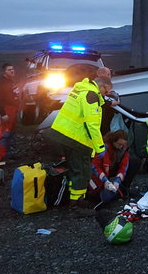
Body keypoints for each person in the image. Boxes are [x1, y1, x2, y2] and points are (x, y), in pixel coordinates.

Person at [42, 76, 111, 206]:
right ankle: (76, 203)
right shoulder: (91, 96)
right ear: (102, 87)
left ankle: (76, 199)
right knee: (82, 171)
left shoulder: (80, 89)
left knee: (75, 169)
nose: (105, 94)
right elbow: (92, 125)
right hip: (76, 139)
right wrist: (100, 147)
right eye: (106, 91)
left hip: (64, 134)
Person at [88, 130, 130, 205]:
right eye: (119, 144)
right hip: (99, 175)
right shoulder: (103, 148)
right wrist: (105, 180)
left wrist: (118, 180)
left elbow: (124, 166)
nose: (121, 147)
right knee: (100, 194)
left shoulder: (123, 150)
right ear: (113, 141)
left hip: (110, 173)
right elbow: (95, 166)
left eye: (122, 145)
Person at [0, 63, 19, 162]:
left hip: (13, 110)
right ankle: (0, 156)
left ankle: (8, 153)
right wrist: (3, 113)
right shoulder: (1, 83)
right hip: (7, 110)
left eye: (13, 69)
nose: (12, 71)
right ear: (4, 71)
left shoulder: (10, 82)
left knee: (10, 133)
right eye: (9, 70)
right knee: (4, 133)